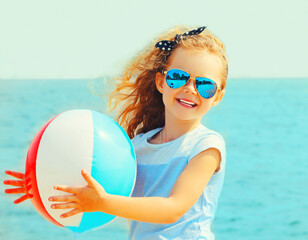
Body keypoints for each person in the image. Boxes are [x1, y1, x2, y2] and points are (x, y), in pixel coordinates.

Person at [4, 25, 229, 240]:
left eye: (205, 85)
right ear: (161, 82)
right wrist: (44, 183)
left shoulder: (206, 146)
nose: (190, 89)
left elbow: (172, 209)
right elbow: (111, 193)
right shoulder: (138, 147)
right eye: (178, 77)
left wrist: (103, 203)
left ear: (217, 96)